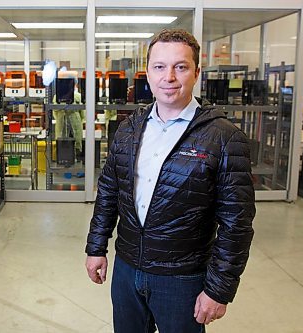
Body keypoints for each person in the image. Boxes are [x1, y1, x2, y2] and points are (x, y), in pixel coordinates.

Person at [85, 28, 255, 333]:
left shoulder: (224, 137)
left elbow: (237, 224)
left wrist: (219, 289)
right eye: (159, 67)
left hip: (182, 278)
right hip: (127, 268)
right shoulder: (128, 128)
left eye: (181, 66)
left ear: (196, 72)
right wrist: (96, 247)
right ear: (147, 73)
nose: (169, 77)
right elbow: (109, 192)